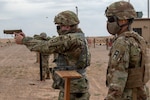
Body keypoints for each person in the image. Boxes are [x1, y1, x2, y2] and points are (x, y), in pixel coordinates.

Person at [15, 10, 91, 100]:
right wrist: (27, 38)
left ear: (67, 26)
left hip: (72, 86)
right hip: (76, 84)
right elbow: (51, 42)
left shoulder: (69, 39)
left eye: (60, 26)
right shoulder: (77, 36)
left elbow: (46, 46)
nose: (59, 28)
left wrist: (24, 41)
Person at [104, 1, 149, 100]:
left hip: (127, 95)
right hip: (141, 93)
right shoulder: (139, 39)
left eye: (111, 19)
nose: (108, 23)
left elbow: (118, 79)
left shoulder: (122, 43)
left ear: (123, 20)